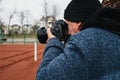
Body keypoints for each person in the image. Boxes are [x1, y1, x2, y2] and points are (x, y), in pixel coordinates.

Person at [36, 0, 118, 79]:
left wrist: (53, 42)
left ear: (79, 25)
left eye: (67, 25)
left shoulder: (85, 43)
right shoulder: (113, 35)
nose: (66, 31)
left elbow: (44, 77)